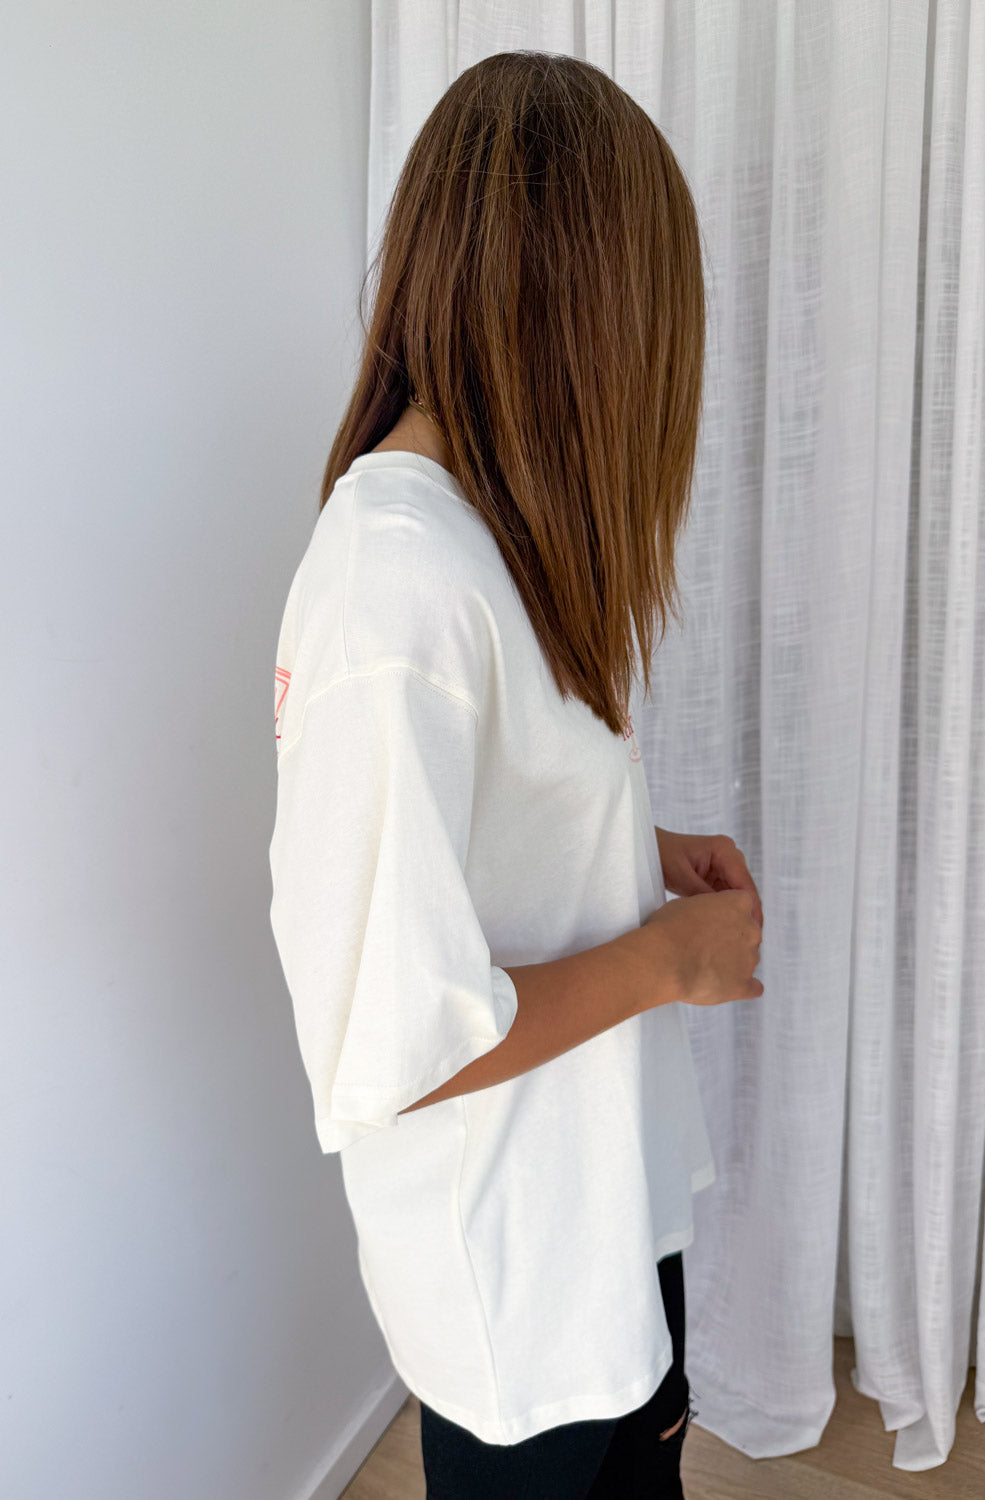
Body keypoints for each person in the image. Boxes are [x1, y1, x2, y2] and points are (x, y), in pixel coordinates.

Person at [268, 49, 763, 1500]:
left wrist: (633, 849)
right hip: (517, 1266)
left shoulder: (483, 530)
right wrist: (672, 959)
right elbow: (392, 1040)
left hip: (596, 1198)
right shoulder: (396, 590)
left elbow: (472, 828)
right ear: (580, 314)